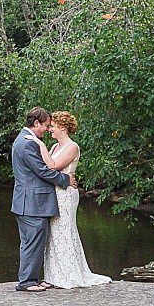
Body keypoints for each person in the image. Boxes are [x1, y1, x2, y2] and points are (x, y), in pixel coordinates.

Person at [37, 111, 112, 288]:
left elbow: (53, 166)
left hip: (65, 194)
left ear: (62, 127)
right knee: (54, 233)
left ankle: (69, 275)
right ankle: (55, 275)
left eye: (53, 127)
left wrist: (39, 145)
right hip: (55, 192)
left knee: (64, 231)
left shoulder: (72, 147)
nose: (50, 130)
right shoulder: (55, 147)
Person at [9, 106, 77, 292]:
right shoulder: (28, 142)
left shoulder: (24, 140)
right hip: (32, 203)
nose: (47, 129)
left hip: (28, 201)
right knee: (32, 241)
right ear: (36, 123)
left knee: (32, 241)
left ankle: (32, 279)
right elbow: (42, 170)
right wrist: (65, 179)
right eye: (46, 125)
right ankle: (27, 282)